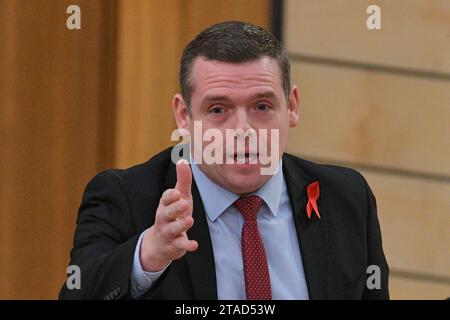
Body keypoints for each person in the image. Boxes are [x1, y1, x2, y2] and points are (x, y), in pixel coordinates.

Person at [59, 21, 389, 300]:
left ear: (291, 106)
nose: (243, 131)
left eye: (261, 106)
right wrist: (149, 255)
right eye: (218, 110)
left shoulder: (345, 196)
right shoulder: (126, 197)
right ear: (184, 115)